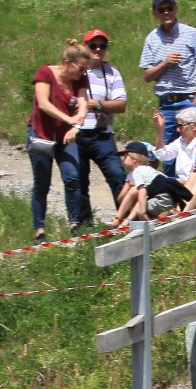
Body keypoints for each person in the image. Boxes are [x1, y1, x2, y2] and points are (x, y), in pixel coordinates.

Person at [29, 40, 92, 243]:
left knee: (72, 177)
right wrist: (68, 119)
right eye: (80, 68)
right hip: (42, 133)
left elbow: (83, 104)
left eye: (85, 69)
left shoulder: (80, 79)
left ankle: (75, 223)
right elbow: (43, 103)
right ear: (67, 63)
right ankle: (39, 229)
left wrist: (76, 125)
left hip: (66, 135)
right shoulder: (45, 73)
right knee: (42, 182)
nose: (83, 73)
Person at [140, 0, 196, 145]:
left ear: (176, 9)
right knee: (166, 150)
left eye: (169, 8)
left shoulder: (191, 34)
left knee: (195, 147)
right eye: (161, 10)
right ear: (155, 13)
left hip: (189, 100)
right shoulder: (151, 39)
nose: (166, 12)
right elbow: (147, 76)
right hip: (166, 104)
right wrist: (165, 64)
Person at [77, 29, 128, 223]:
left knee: (117, 174)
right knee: (78, 179)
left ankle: (125, 219)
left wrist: (97, 104)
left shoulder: (112, 73)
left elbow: (121, 104)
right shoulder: (76, 71)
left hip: (102, 134)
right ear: (84, 47)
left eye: (102, 46)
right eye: (93, 45)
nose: (98, 49)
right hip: (77, 133)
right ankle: (84, 224)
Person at [112, 142, 191, 225]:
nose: (122, 160)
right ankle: (146, 222)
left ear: (134, 159)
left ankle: (148, 226)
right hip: (170, 194)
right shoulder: (148, 170)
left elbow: (142, 192)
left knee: (141, 207)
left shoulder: (137, 172)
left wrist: (142, 212)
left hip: (163, 197)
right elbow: (166, 180)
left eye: (125, 157)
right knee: (141, 202)